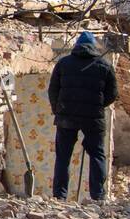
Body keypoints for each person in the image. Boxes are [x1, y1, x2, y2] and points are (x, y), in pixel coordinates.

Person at [48, 31, 117, 200]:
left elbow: (52, 90)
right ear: (94, 47)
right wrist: (98, 106)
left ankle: (60, 195)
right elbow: (112, 94)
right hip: (93, 118)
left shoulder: (63, 63)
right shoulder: (105, 65)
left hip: (66, 117)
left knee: (63, 156)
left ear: (76, 46)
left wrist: (58, 109)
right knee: (97, 155)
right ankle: (98, 196)